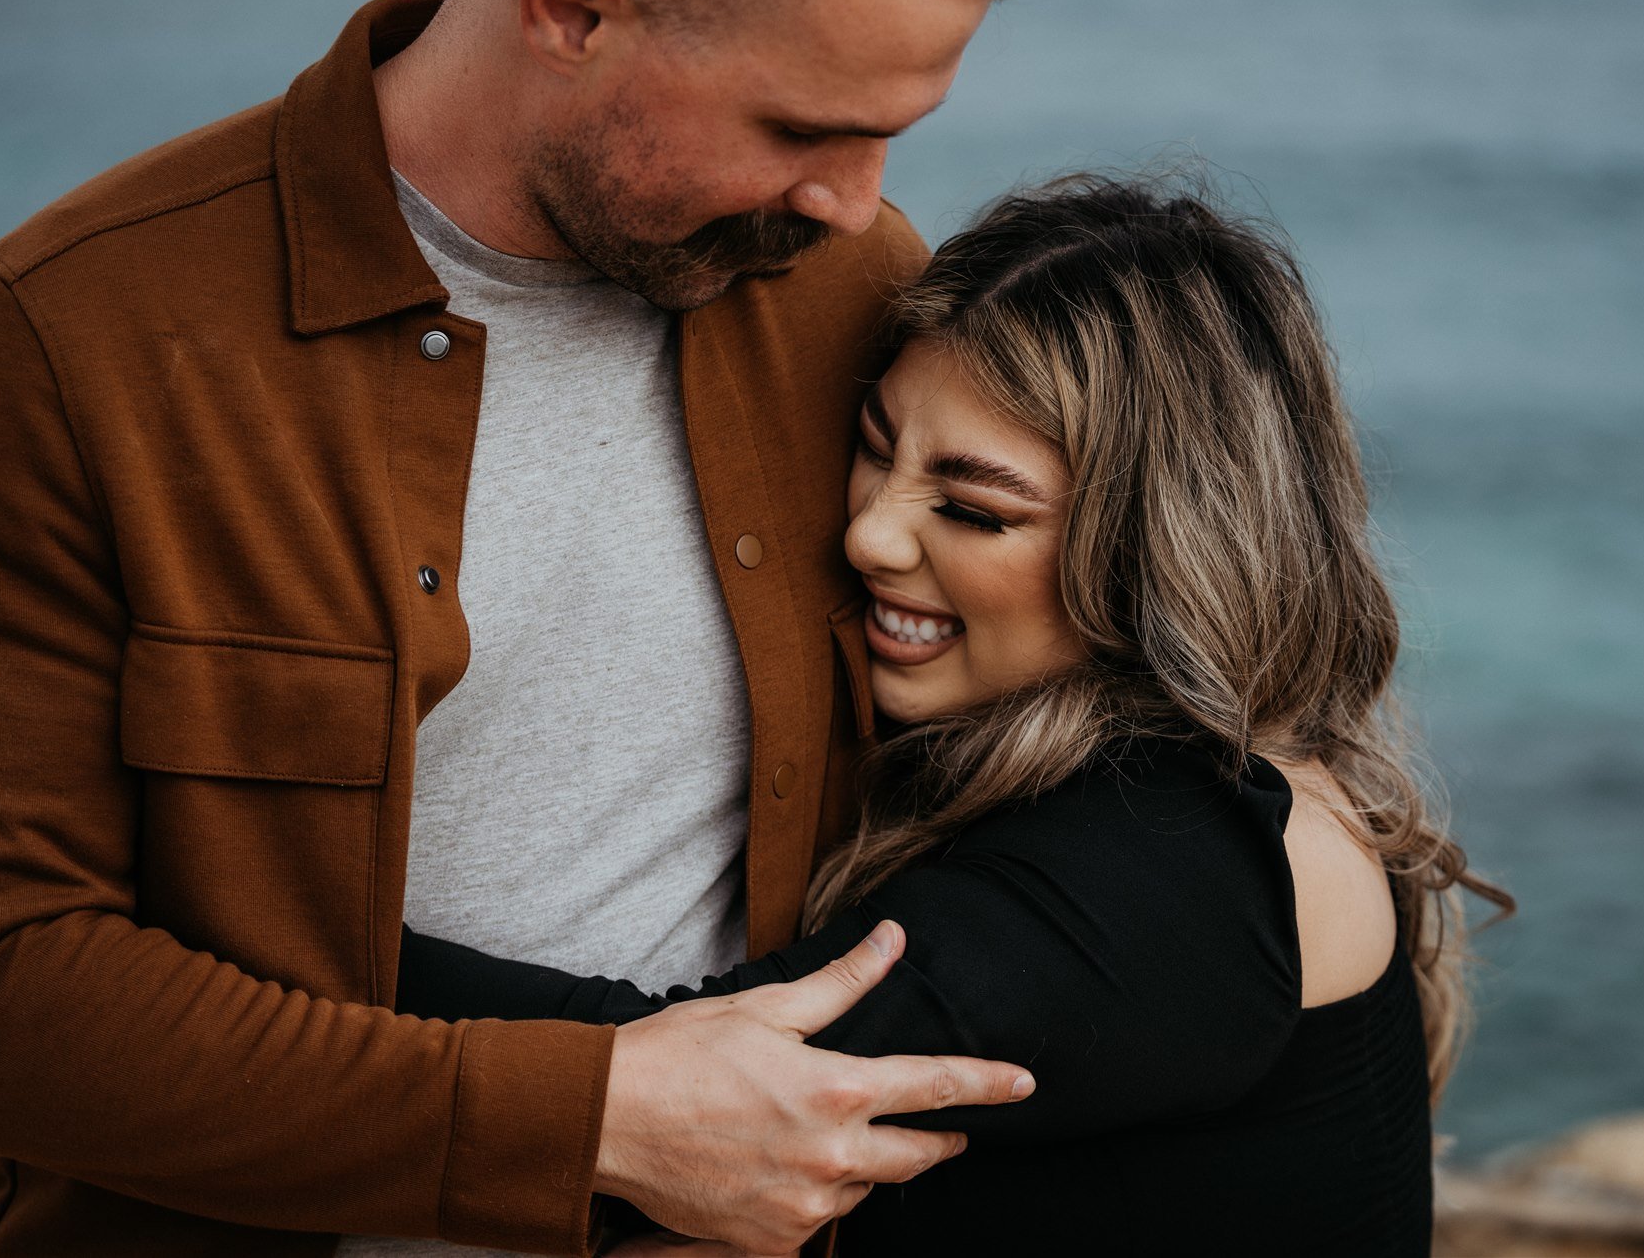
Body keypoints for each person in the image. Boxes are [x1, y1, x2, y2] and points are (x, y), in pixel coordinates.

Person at [0, 0, 1042, 1255]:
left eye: (889, 135)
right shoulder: (66, 339)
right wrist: (590, 1119)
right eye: (798, 129)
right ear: (573, 8)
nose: (855, 202)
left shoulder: (860, 293)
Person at [395, 176, 1520, 1255]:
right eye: (875, 449)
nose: (871, 536)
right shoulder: (1213, 785)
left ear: (1153, 557)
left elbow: (697, 1085)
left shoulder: (1169, 865)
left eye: (972, 510)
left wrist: (263, 932)